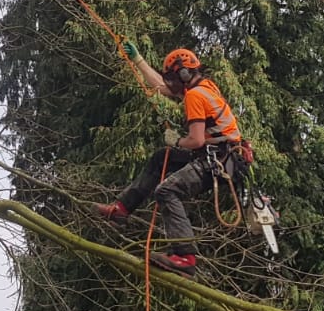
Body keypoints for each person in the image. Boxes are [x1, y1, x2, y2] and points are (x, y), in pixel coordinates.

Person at [95, 43, 251, 273]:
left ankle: (185, 257)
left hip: (217, 161)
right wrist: (138, 60)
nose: (169, 83)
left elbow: (196, 141)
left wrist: (177, 141)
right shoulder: (204, 87)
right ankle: (122, 209)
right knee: (162, 157)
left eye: (172, 78)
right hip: (222, 155)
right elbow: (161, 87)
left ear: (183, 74)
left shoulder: (195, 96)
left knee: (167, 191)